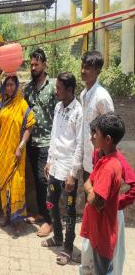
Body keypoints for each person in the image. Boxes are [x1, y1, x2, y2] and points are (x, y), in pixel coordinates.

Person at [81, 114, 135, 275]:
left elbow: (93, 196)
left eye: (95, 133)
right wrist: (92, 190)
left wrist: (117, 203)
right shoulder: (99, 155)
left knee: (107, 263)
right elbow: (88, 182)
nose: (92, 138)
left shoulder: (114, 163)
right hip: (97, 217)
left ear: (108, 139)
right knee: (90, 255)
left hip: (108, 216)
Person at [0, 70, 35, 237]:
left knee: (17, 185)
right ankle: (7, 216)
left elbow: (29, 126)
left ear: (17, 86)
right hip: (2, 151)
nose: (9, 87)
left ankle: (18, 221)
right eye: (7, 84)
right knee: (4, 186)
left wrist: (20, 146)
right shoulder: (0, 102)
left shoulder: (22, 104)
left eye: (12, 84)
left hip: (16, 152)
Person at [41, 72, 83, 265]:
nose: (56, 91)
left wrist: (73, 174)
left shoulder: (78, 112)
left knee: (70, 208)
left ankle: (68, 247)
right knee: (50, 201)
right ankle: (57, 236)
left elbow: (80, 145)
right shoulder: (58, 107)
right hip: (55, 166)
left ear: (70, 90)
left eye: (59, 88)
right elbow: (54, 135)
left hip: (68, 171)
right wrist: (49, 160)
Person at [23, 48, 56, 237]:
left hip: (47, 142)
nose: (33, 67)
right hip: (32, 142)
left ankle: (50, 220)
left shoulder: (53, 87)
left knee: (44, 180)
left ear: (44, 64)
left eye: (36, 64)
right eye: (31, 64)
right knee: (36, 179)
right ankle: (41, 214)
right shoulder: (28, 88)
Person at [77, 51, 114, 182]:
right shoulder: (83, 95)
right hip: (87, 160)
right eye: (82, 66)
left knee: (97, 200)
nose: (82, 70)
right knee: (88, 200)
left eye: (87, 68)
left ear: (98, 71)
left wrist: (105, 160)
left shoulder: (102, 97)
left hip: (99, 161)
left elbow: (112, 130)